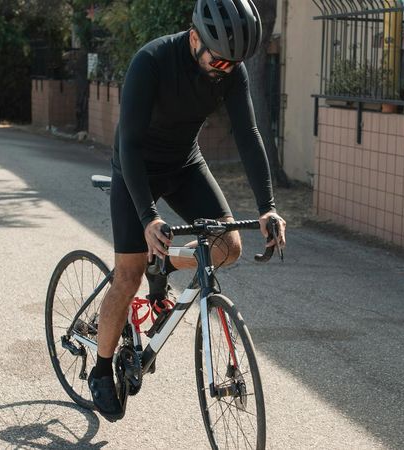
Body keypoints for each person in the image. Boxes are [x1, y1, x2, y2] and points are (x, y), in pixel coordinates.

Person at [87, 0, 287, 422]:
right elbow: (130, 144)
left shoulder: (229, 70)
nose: (223, 68)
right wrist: (147, 217)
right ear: (194, 37)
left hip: (184, 164)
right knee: (129, 274)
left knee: (227, 247)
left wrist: (268, 208)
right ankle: (101, 369)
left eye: (232, 62)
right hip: (135, 168)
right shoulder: (152, 62)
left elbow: (249, 136)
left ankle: (164, 266)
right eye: (217, 58)